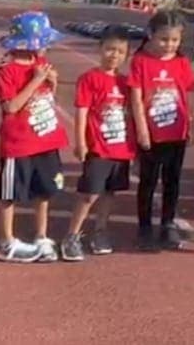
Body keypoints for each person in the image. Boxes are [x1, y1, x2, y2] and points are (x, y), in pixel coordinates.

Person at [0, 11, 68, 263]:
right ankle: (6, 241)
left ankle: (41, 235)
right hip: (19, 145)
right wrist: (35, 81)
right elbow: (11, 106)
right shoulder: (6, 71)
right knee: (10, 194)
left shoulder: (40, 62)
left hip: (45, 140)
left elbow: (48, 98)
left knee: (44, 191)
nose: (47, 46)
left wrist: (52, 82)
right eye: (44, 41)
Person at [60, 25, 134, 261]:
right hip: (99, 148)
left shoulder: (126, 83)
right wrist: (81, 142)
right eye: (110, 49)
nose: (114, 55)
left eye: (120, 52)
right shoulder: (89, 79)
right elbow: (82, 111)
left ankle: (100, 231)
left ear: (126, 55)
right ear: (100, 49)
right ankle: (72, 235)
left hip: (120, 149)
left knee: (109, 194)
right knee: (89, 194)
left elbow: (131, 114)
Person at [128, 10, 194, 251]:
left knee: (172, 179)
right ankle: (144, 225)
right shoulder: (141, 61)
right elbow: (136, 97)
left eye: (175, 40)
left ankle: (168, 222)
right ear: (151, 35)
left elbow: (186, 95)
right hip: (152, 132)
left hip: (176, 131)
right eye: (164, 39)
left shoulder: (181, 62)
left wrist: (191, 124)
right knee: (148, 180)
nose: (169, 45)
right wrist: (142, 129)